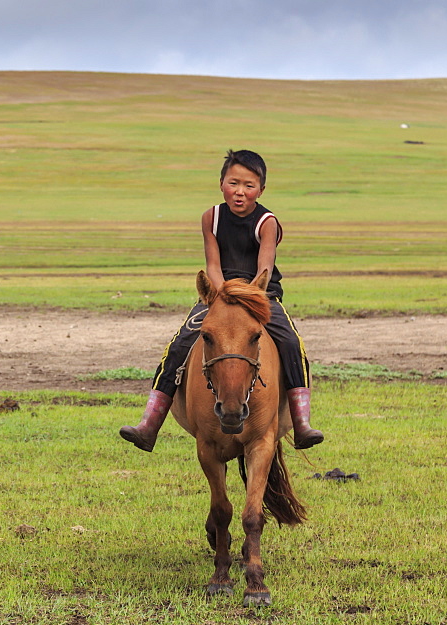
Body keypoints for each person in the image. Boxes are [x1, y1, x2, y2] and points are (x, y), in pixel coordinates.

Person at [119, 149, 324, 452]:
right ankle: (150, 423)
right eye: (233, 183)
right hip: (217, 293)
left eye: (249, 185)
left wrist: (246, 295)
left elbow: (263, 270)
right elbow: (212, 266)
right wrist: (223, 295)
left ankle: (301, 421)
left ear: (261, 190)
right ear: (221, 183)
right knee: (179, 344)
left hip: (259, 294)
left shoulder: (267, 222)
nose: (240, 192)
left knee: (292, 343)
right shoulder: (211, 218)